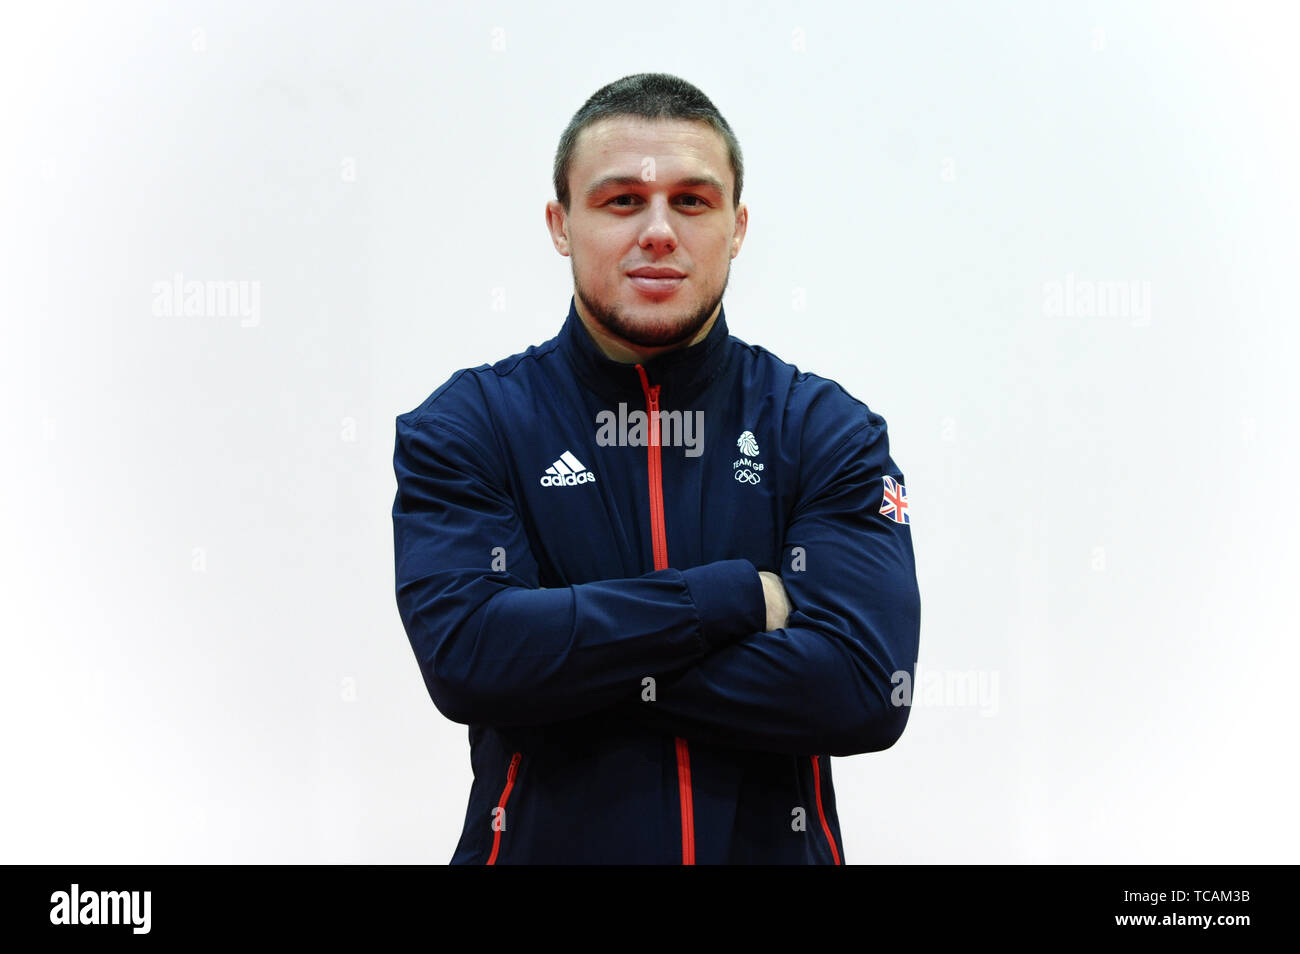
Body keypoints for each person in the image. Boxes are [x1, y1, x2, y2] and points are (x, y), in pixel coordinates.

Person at [391, 72, 921, 864]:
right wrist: (737, 595)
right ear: (560, 223)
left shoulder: (823, 429)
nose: (660, 230)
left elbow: (864, 690)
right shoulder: (469, 425)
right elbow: (470, 660)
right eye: (620, 201)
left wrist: (563, 654)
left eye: (692, 201)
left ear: (737, 227)